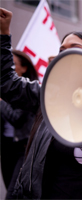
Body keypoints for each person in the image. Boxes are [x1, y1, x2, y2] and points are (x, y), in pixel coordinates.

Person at [0, 7, 82, 199]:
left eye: (74, 50)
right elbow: (7, 83)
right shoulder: (49, 96)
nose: (64, 55)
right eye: (61, 51)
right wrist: (3, 34)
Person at [0, 50, 38, 190]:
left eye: (13, 64)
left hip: (22, 149)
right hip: (6, 147)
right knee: (8, 184)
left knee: (13, 193)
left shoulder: (29, 93)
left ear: (24, 68)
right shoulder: (3, 90)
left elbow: (16, 118)